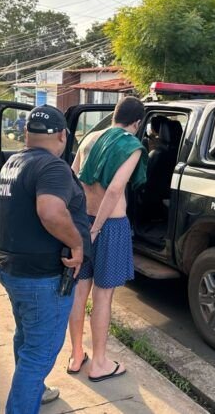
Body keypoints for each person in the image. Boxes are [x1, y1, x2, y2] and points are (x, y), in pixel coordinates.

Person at [0, 105, 90, 413]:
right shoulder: (53, 167)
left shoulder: (13, 161)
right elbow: (50, 211)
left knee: (26, 338)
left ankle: (36, 389)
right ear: (63, 135)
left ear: (26, 134)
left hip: (14, 269)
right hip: (42, 278)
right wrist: (77, 245)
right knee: (40, 352)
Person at [67, 96, 147, 382]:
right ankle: (99, 363)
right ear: (137, 123)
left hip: (83, 220)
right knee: (103, 297)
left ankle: (77, 355)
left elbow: (72, 176)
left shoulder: (91, 137)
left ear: (115, 115)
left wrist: (80, 223)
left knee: (79, 292)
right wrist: (97, 229)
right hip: (109, 227)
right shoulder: (131, 145)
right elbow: (114, 191)